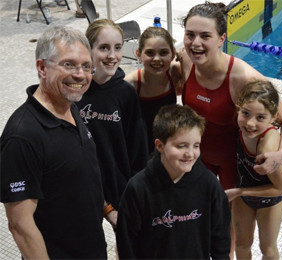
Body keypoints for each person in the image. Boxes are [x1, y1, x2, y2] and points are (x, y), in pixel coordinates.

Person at [0, 26, 112, 259]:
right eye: (68, 64)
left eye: (85, 66)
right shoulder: (22, 136)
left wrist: (109, 211)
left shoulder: (71, 106)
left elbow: (80, 177)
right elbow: (20, 225)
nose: (80, 75)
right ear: (42, 67)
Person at [180, 1, 282, 190]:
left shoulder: (243, 77)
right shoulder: (186, 60)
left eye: (205, 36)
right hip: (197, 158)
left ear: (221, 39)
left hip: (233, 164)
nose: (195, 43)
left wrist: (280, 155)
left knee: (231, 216)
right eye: (190, 35)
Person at [117, 104, 231, 259]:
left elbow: (221, 237)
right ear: (160, 145)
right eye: (181, 146)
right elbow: (127, 243)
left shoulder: (209, 184)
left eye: (196, 145)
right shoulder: (138, 188)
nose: (190, 154)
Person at [76, 19, 148, 214]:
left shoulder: (125, 93)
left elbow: (137, 148)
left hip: (119, 187)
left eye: (117, 48)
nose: (112, 56)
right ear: (88, 49)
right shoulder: (76, 91)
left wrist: (136, 190)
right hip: (84, 188)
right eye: (104, 48)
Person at [225, 80, 282, 259]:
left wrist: (240, 191)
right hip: (244, 198)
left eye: (260, 117)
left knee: (267, 249)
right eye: (245, 113)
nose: (250, 124)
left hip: (270, 201)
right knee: (241, 244)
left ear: (274, 117)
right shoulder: (238, 130)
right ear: (238, 109)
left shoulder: (266, 148)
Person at [125, 26, 181, 155]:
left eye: (163, 53)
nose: (157, 59)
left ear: (173, 54)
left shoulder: (175, 72)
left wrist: (184, 56)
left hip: (168, 146)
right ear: (138, 54)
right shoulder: (130, 84)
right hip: (142, 150)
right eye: (150, 53)